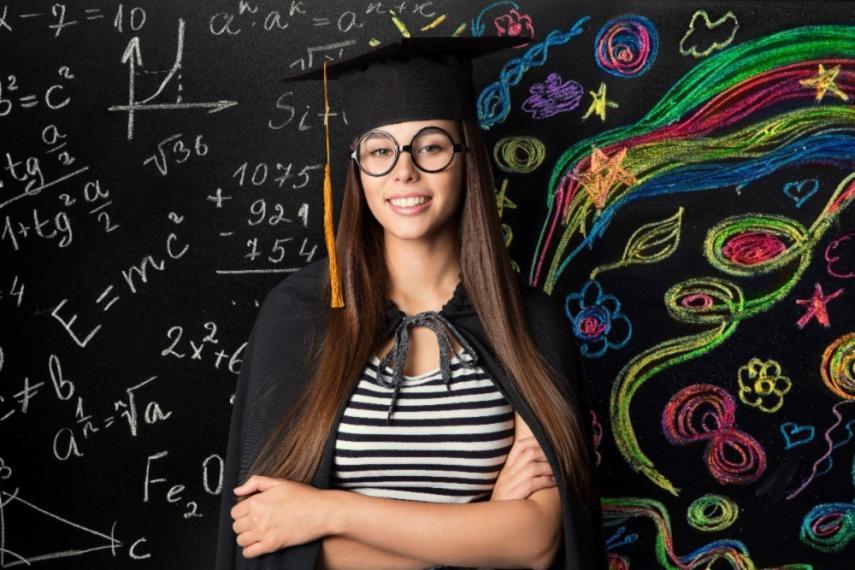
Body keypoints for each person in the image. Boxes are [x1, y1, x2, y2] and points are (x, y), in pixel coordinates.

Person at [215, 36, 606, 570]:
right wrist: (482, 530)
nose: (404, 172)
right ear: (357, 168)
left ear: (467, 157)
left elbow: (538, 541)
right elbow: (263, 535)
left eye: (431, 146)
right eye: (380, 150)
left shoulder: (527, 324)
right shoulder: (298, 317)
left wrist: (328, 513)